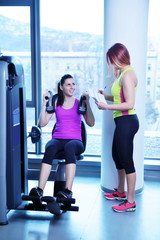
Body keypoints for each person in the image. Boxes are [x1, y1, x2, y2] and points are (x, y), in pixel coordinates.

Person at [29, 74, 95, 199]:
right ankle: (39, 190)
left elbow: (91, 123)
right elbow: (42, 123)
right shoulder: (56, 103)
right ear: (61, 87)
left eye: (73, 84)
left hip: (75, 141)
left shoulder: (80, 103)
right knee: (50, 147)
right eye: (68, 84)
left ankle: (68, 192)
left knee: (70, 147)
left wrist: (87, 102)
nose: (72, 87)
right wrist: (44, 104)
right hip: (58, 139)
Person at [96, 43, 139, 212]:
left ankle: (130, 202)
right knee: (117, 156)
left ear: (117, 57)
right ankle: (121, 192)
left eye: (112, 60)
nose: (111, 63)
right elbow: (119, 98)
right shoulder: (123, 74)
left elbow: (129, 103)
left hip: (127, 121)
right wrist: (104, 95)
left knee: (127, 161)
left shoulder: (128, 75)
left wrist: (106, 107)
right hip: (122, 121)